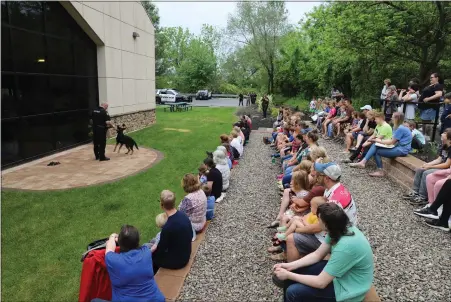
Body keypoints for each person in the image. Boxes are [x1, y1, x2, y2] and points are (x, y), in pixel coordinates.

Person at [273, 203, 373, 302]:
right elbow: (317, 254)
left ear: (326, 223)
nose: (317, 222)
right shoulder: (338, 228)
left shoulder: (345, 246)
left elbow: (321, 282)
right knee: (292, 273)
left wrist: (288, 275)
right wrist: (290, 266)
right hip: (343, 273)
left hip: (350, 288)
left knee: (293, 292)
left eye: (319, 219)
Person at [285, 161, 357, 262]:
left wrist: (296, 230)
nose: (316, 175)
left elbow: (318, 228)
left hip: (333, 240)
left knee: (291, 238)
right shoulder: (335, 189)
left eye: (320, 174)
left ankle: (292, 272)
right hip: (335, 231)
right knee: (297, 220)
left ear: (327, 178)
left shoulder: (334, 201)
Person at [105, 225, 165, 302]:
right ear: (138, 240)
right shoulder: (146, 252)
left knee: (94, 300)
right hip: (155, 300)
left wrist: (112, 236)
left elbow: (109, 247)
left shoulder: (113, 260)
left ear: (119, 242)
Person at [350, 112, 411, 177]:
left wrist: (378, 140)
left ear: (397, 118)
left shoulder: (400, 128)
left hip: (402, 150)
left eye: (392, 117)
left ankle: (379, 171)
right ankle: (363, 163)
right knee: (375, 145)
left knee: (377, 151)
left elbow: (392, 142)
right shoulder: (396, 127)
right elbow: (391, 140)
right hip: (397, 147)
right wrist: (378, 141)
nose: (391, 118)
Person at [403, 128, 451, 205]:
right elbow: (439, 159)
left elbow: (447, 165)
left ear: (449, 139)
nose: (442, 134)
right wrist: (428, 164)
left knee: (427, 173)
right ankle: (415, 192)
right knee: (420, 169)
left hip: (447, 170)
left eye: (445, 133)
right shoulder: (444, 146)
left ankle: (422, 197)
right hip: (441, 167)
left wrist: (430, 167)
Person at [152, 190, 193, 273]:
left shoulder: (167, 227)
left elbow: (161, 250)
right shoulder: (183, 216)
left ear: (161, 205)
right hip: (186, 253)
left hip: (178, 262)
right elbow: (191, 235)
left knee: (152, 257)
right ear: (174, 202)